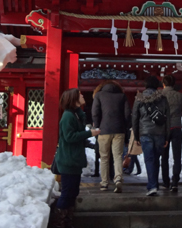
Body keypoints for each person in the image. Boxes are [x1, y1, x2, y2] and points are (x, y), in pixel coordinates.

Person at [53, 89, 100, 228]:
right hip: (68, 160)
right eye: (79, 94)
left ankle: (67, 221)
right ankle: (60, 223)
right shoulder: (68, 116)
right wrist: (89, 133)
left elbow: (76, 135)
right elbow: (70, 137)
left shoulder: (76, 115)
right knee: (67, 192)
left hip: (74, 160)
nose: (82, 95)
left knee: (73, 192)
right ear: (73, 98)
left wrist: (89, 143)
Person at [132, 75, 170, 196]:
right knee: (156, 159)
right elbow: (167, 119)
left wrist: (136, 136)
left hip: (145, 133)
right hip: (160, 133)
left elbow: (135, 118)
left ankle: (152, 186)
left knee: (149, 159)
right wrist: (167, 136)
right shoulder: (163, 98)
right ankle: (154, 184)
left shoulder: (139, 98)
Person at [92, 80, 131, 193]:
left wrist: (97, 126)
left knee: (104, 157)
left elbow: (95, 112)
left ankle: (104, 183)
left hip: (103, 130)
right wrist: (124, 126)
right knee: (118, 156)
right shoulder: (122, 96)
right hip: (119, 130)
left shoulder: (99, 95)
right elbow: (127, 114)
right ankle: (118, 178)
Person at [160, 74, 182, 192]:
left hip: (164, 128)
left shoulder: (160, 96)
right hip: (177, 126)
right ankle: (175, 182)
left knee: (164, 156)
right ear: (174, 84)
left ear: (163, 84)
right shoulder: (180, 96)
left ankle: (166, 182)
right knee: (177, 156)